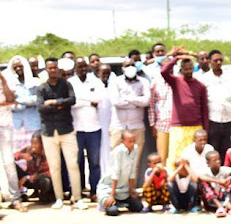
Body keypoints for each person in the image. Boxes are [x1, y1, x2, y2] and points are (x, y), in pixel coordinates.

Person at [37, 58, 87, 210]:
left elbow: (72, 100)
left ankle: (77, 198)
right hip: (49, 132)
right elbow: (40, 108)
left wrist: (53, 102)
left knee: (73, 165)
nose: (53, 70)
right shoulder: (41, 88)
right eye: (50, 68)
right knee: (55, 167)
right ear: (46, 70)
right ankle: (59, 198)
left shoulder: (66, 84)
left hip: (67, 130)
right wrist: (60, 105)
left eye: (55, 68)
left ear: (58, 69)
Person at [161, 47, 209, 169]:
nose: (188, 71)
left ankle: (194, 183)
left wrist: (205, 129)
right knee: (176, 156)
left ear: (193, 68)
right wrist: (176, 58)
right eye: (185, 69)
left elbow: (205, 109)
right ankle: (174, 182)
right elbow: (164, 71)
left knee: (194, 158)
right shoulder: (175, 81)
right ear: (181, 69)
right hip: (178, 127)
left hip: (196, 127)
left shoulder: (200, 85)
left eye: (190, 68)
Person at [69, 57, 105, 201]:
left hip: (94, 128)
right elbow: (71, 102)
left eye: (84, 66)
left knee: (94, 162)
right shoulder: (70, 82)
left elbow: (99, 98)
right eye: (79, 67)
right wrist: (89, 101)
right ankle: (78, 191)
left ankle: (94, 191)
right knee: (77, 162)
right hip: (76, 128)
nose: (82, 69)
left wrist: (82, 99)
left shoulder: (95, 81)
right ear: (75, 68)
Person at [110, 58, 150, 179]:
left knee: (134, 161)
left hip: (137, 126)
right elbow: (116, 101)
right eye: (127, 65)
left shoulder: (143, 82)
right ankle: (116, 189)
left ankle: (130, 190)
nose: (130, 67)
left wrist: (128, 98)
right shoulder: (115, 81)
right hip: (119, 126)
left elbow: (146, 101)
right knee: (116, 161)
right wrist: (137, 100)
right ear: (122, 68)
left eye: (132, 65)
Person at [202, 50, 231, 162]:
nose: (218, 62)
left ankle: (228, 173)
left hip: (229, 120)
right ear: (210, 61)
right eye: (215, 60)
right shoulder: (205, 78)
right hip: (213, 120)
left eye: (220, 60)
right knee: (214, 149)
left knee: (229, 149)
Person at [96, 130, 143, 216]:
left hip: (123, 191)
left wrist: (131, 190)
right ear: (123, 141)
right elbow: (115, 173)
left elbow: (132, 171)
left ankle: (119, 202)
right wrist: (112, 196)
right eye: (129, 142)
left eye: (133, 141)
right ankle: (108, 202)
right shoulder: (118, 151)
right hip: (110, 189)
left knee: (138, 207)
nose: (132, 144)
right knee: (113, 212)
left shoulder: (135, 149)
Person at [0, 70, 26, 211]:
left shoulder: (6, 77)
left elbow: (11, 99)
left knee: (9, 163)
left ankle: (15, 198)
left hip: (5, 126)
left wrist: (3, 80)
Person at [5, 56, 41, 152]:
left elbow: (38, 99)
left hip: (33, 123)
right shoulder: (10, 84)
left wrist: (20, 101)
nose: (18, 69)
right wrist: (26, 103)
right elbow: (9, 103)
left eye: (20, 66)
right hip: (17, 125)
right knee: (18, 154)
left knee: (34, 152)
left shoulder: (35, 82)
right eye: (15, 67)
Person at [198, 150, 231, 217]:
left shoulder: (224, 169)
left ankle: (228, 204)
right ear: (208, 163)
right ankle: (220, 207)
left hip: (225, 196)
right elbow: (200, 177)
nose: (218, 161)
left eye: (219, 159)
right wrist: (218, 182)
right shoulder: (206, 172)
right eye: (215, 160)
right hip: (212, 202)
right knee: (203, 183)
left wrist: (227, 179)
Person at [14, 132, 53, 203]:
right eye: (32, 143)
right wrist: (22, 155)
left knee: (46, 181)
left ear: (42, 144)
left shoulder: (48, 153)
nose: (33, 146)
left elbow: (49, 172)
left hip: (39, 180)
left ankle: (43, 195)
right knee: (12, 166)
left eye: (36, 143)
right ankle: (18, 194)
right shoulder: (28, 150)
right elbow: (14, 156)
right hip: (28, 179)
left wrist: (31, 177)